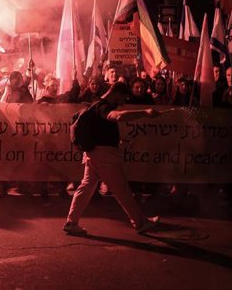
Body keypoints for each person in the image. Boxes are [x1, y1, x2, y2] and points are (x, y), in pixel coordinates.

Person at [63, 82, 161, 235]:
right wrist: (145, 112)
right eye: (123, 98)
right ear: (116, 93)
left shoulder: (95, 104)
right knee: (122, 190)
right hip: (104, 156)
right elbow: (117, 116)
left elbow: (102, 128)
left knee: (86, 187)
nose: (122, 103)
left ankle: (71, 222)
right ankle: (140, 223)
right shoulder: (103, 106)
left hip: (93, 153)